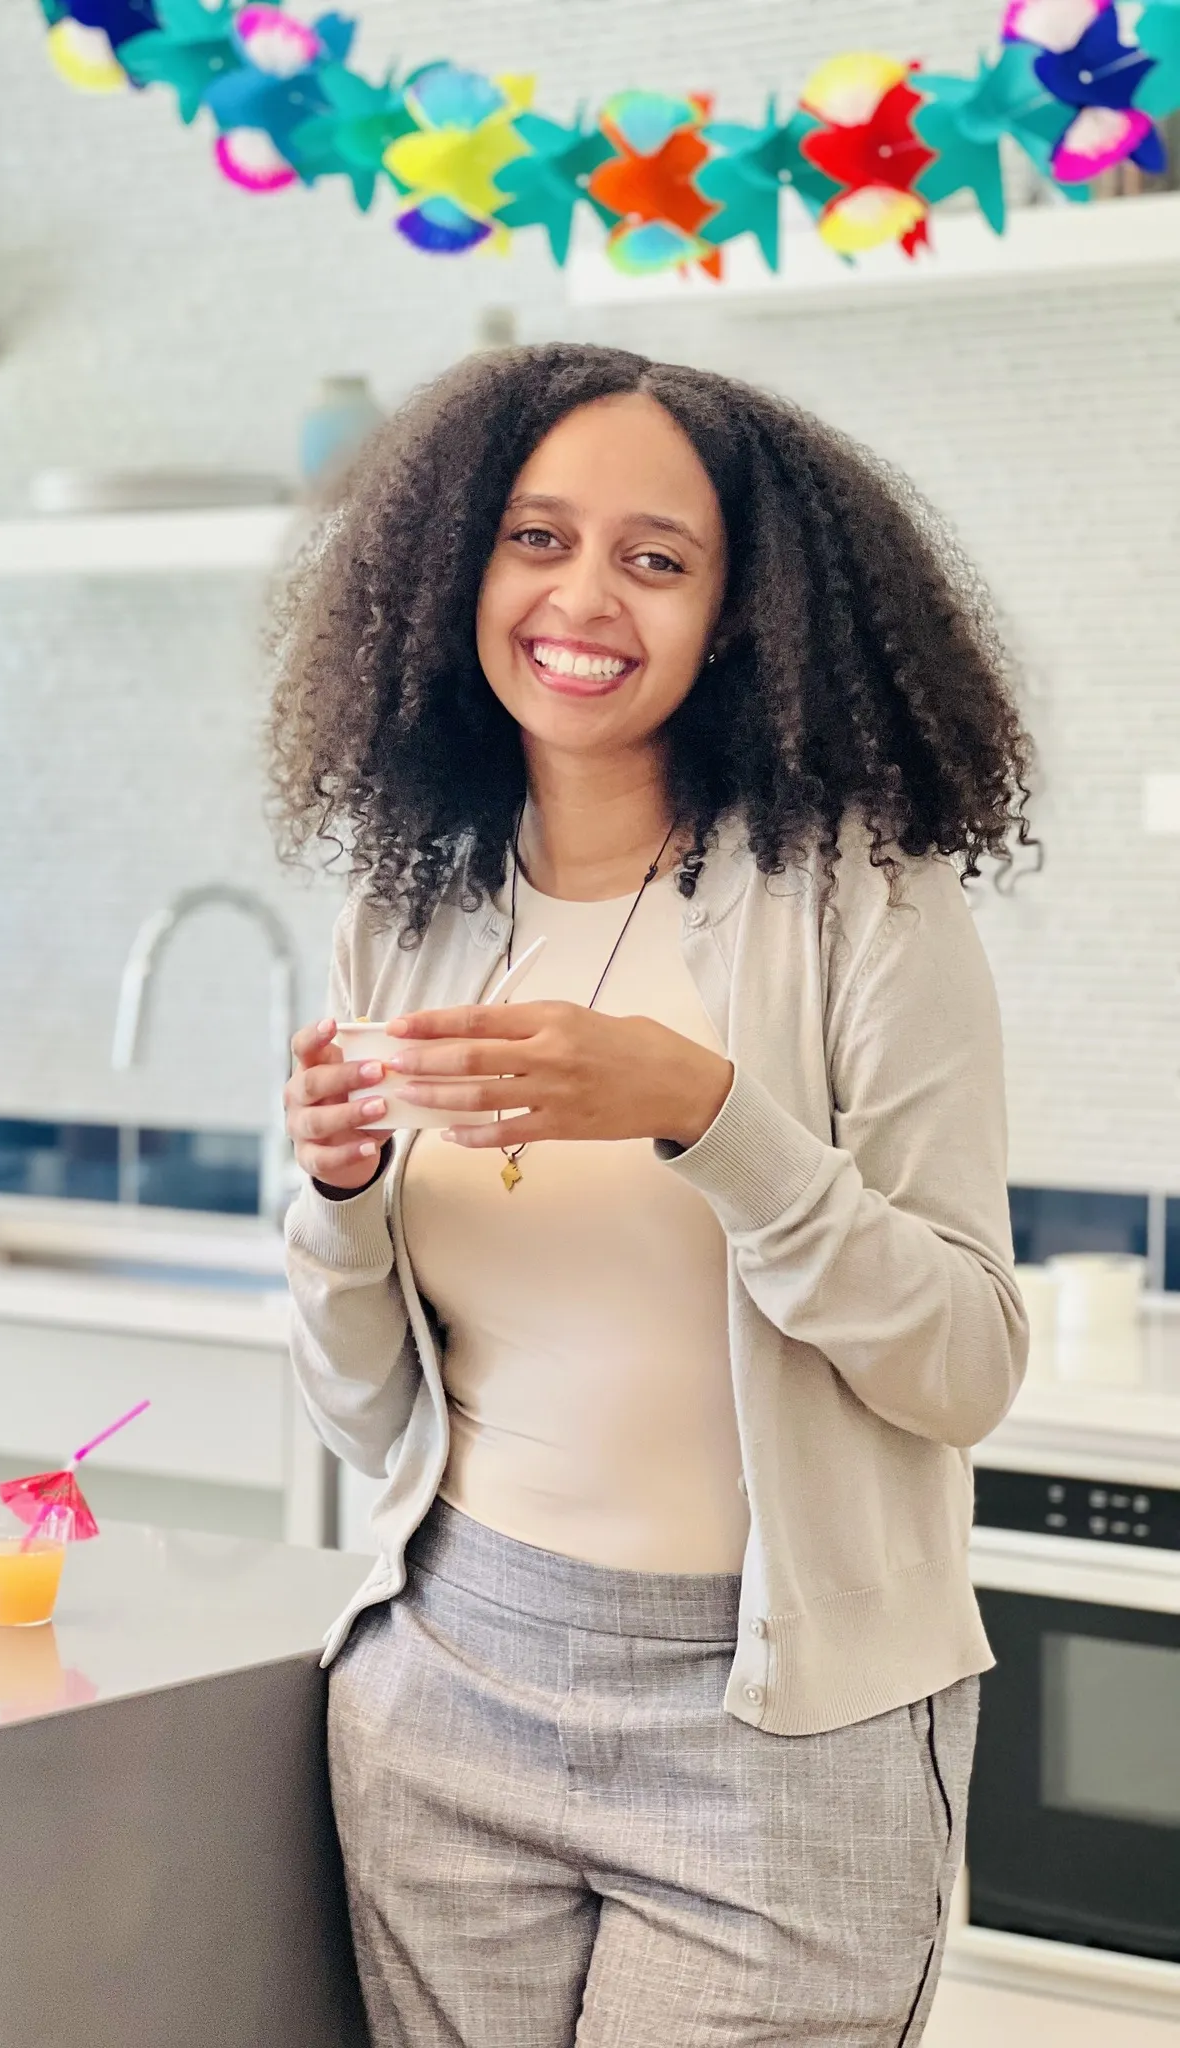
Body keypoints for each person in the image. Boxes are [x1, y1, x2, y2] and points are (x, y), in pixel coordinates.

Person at [270, 344, 1031, 2047]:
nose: (581, 598)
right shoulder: (406, 912)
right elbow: (363, 1410)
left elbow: (967, 1363)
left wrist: (708, 1115)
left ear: (742, 615)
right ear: (456, 571)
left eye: (656, 558)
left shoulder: (863, 902)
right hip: (447, 1696)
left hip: (774, 1734)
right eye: (535, 539)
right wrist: (335, 1193)